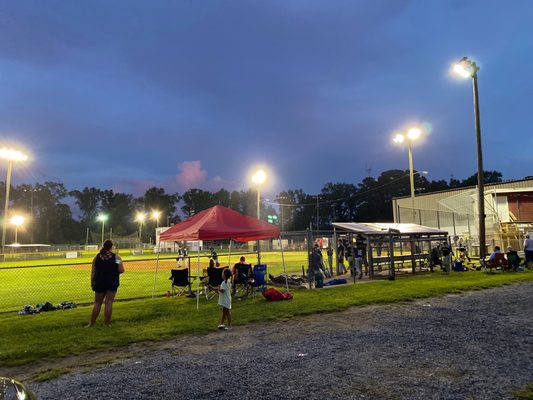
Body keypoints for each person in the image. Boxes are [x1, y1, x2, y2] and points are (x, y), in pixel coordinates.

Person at [88, 240, 124, 327]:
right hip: (112, 282)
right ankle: (107, 324)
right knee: (109, 303)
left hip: (99, 282)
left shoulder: (96, 257)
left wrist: (92, 282)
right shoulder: (116, 258)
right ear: (111, 247)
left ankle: (92, 324)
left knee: (97, 303)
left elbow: (93, 272)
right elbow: (121, 270)